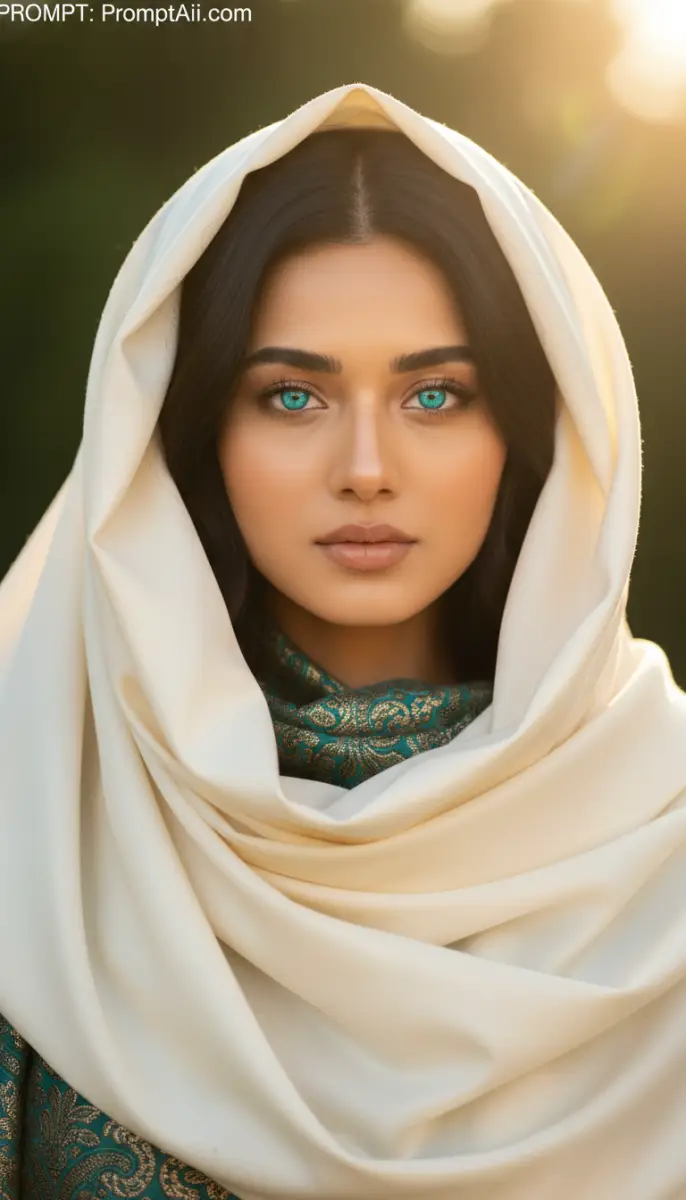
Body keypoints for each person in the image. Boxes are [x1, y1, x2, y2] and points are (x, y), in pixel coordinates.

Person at [0, 81, 685, 1200]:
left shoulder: (663, 833)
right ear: (186, 430)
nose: (365, 465)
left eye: (434, 397)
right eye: (289, 398)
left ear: (531, 426)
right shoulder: (37, 822)